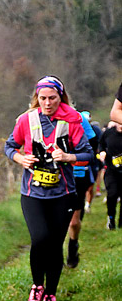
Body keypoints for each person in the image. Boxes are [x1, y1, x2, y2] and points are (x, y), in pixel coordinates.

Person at [4, 75, 94, 301]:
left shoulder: (72, 121)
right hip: (32, 193)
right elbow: (9, 146)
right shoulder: (26, 120)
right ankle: (37, 286)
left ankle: (51, 294)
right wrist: (21, 158)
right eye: (42, 98)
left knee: (55, 245)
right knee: (39, 239)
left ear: (60, 97)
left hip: (63, 193)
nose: (47, 103)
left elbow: (88, 153)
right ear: (37, 98)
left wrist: (67, 157)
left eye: (52, 98)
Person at [65, 111, 96, 267]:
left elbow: (92, 146)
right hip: (53, 175)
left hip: (77, 174)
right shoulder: (38, 117)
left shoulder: (78, 118)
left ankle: (73, 246)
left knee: (73, 222)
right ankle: (55, 255)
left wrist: (76, 158)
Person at [98, 120, 122, 229]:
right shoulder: (108, 133)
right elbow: (101, 144)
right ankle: (111, 218)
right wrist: (102, 152)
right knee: (112, 194)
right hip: (111, 170)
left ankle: (121, 222)